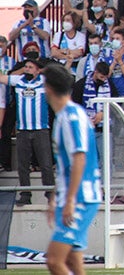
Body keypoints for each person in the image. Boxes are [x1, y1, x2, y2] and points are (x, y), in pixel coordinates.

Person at [43, 63, 102, 275]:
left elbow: (79, 159)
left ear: (48, 88)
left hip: (79, 198)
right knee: (72, 262)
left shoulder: (71, 117)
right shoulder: (66, 116)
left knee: (54, 260)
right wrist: (55, 198)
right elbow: (66, 165)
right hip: (72, 195)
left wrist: (68, 200)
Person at [0, 57, 56, 206]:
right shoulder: (18, 80)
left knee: (45, 164)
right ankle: (25, 194)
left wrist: (43, 70)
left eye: (31, 67)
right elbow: (2, 78)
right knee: (23, 165)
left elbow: (61, 76)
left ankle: (50, 193)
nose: (27, 69)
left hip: (41, 129)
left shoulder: (44, 81)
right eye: (26, 67)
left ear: (38, 70)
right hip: (23, 130)